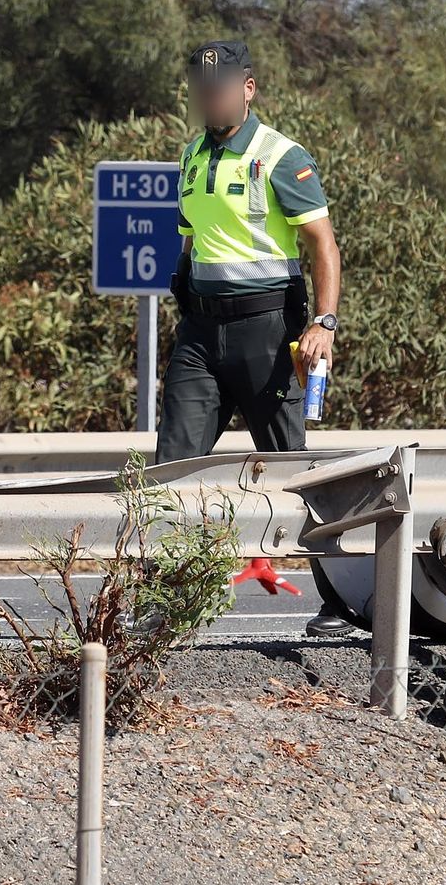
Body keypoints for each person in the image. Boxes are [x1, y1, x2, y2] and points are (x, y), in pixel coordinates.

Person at [155, 40, 351, 636]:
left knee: (297, 473)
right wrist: (184, 287)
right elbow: (193, 238)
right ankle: (166, 602)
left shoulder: (281, 156)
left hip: (268, 333)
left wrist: (323, 323)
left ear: (247, 88)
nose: (209, 98)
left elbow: (323, 244)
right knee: (170, 469)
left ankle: (341, 601)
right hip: (201, 334)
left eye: (220, 88)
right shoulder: (191, 155)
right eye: (201, 89)